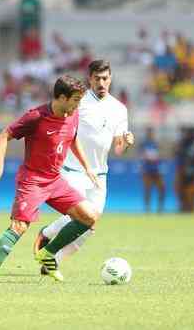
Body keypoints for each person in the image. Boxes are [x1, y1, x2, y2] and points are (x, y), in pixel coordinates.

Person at [0, 76, 101, 286]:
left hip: (55, 180)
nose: (78, 105)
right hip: (32, 180)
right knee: (19, 226)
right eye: (75, 100)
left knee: (89, 218)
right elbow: (3, 136)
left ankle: (48, 254)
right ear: (62, 97)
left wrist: (87, 166)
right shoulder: (36, 116)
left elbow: (72, 138)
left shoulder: (73, 114)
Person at [32, 61, 134, 268]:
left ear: (111, 79)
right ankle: (47, 233)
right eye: (97, 78)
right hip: (73, 170)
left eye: (105, 78)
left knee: (90, 225)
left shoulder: (119, 109)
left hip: (99, 175)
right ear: (90, 79)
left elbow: (118, 149)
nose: (101, 82)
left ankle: (52, 262)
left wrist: (127, 144)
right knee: (78, 218)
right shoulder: (79, 102)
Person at [174, 126, 194, 213]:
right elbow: (178, 154)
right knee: (181, 190)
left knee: (190, 190)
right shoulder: (184, 143)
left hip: (191, 172)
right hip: (183, 170)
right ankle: (184, 208)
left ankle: (190, 208)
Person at [140, 126, 165, 213]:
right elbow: (143, 155)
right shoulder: (144, 144)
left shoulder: (155, 143)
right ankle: (147, 209)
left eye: (151, 133)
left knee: (162, 188)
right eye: (149, 132)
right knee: (148, 189)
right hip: (147, 170)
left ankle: (160, 208)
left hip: (156, 169)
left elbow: (158, 156)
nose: (151, 134)